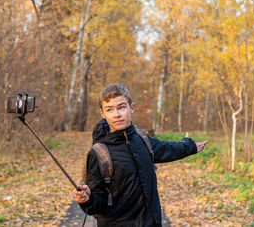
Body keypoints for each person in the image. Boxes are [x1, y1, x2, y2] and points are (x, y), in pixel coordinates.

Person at [73, 84, 208, 226]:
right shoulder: (99, 153)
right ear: (103, 113)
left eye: (121, 107)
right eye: (110, 109)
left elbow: (166, 149)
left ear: (132, 108)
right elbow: (97, 205)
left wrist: (189, 146)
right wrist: (87, 199)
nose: (117, 114)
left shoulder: (142, 139)